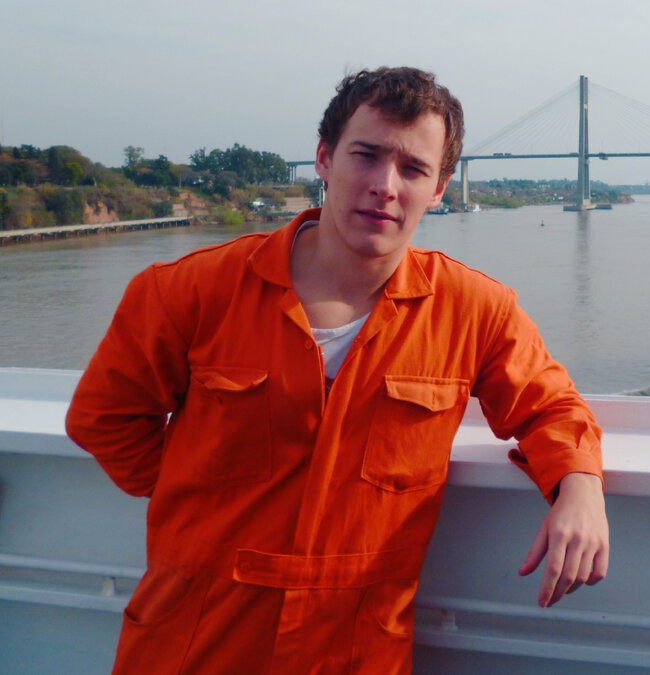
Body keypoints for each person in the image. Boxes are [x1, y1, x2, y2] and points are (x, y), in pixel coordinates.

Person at [66, 67, 609, 673]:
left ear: (440, 187)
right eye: (366, 156)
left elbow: (551, 407)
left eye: (413, 169)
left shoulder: (472, 311)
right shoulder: (189, 291)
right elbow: (104, 419)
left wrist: (579, 487)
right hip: (192, 644)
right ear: (324, 158)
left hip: (356, 650)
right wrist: (201, 502)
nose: (385, 186)